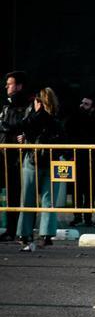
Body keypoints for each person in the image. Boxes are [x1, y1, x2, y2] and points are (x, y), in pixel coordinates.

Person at [15, 87, 65, 251]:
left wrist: (36, 114)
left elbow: (24, 127)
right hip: (52, 160)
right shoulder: (57, 117)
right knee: (49, 199)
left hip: (33, 159)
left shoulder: (37, 116)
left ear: (39, 102)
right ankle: (46, 235)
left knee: (28, 198)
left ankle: (24, 233)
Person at [1, 71, 33, 242]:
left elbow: (25, 126)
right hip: (4, 153)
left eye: (10, 83)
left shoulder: (27, 104)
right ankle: (10, 229)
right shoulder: (6, 105)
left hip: (18, 156)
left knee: (18, 193)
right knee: (9, 194)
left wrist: (11, 133)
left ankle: (17, 230)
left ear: (19, 86)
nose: (7, 86)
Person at [64, 95, 95, 227]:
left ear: (92, 108)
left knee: (89, 191)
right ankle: (77, 216)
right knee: (76, 190)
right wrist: (68, 155)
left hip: (91, 160)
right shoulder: (72, 119)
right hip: (76, 158)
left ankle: (87, 217)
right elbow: (66, 135)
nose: (82, 105)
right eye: (82, 103)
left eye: (86, 104)